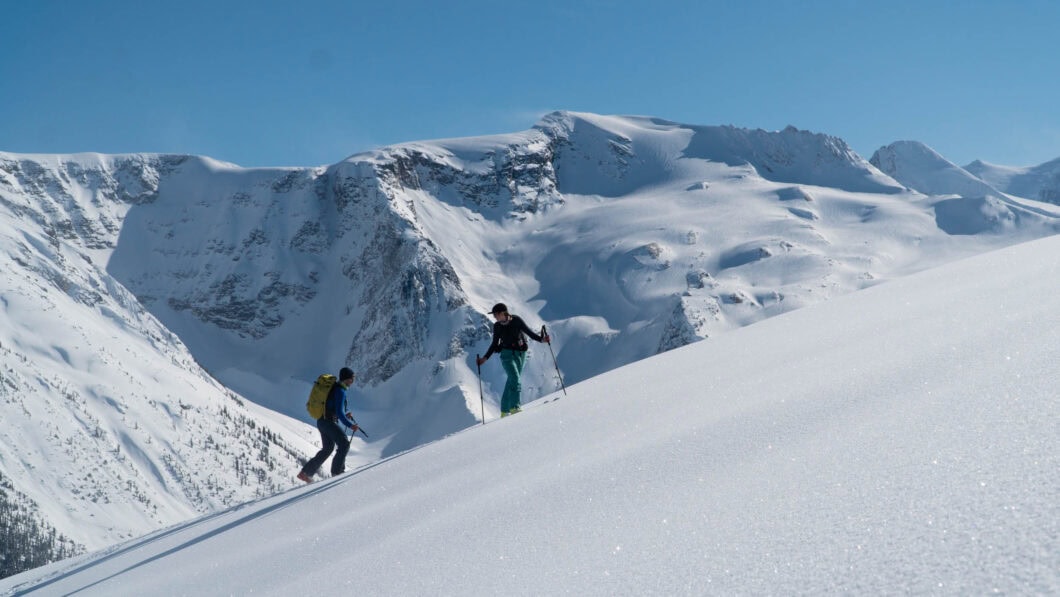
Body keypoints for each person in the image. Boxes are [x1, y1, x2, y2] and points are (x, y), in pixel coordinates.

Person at [476, 303, 550, 417]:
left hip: (521, 354)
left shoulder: (516, 320)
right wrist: (484, 358)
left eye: (496, 315)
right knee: (515, 378)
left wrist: (542, 340)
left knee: (512, 380)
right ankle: (515, 408)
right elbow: (494, 344)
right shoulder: (497, 326)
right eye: (494, 315)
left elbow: (529, 333)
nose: (495, 317)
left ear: (503, 313)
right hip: (506, 355)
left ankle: (504, 410)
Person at [297, 367, 360, 482]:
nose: (353, 380)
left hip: (322, 421)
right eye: (352, 378)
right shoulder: (340, 391)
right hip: (328, 422)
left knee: (328, 448)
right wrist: (350, 425)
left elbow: (333, 409)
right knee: (344, 444)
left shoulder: (335, 388)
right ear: (347, 378)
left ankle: (305, 473)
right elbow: (340, 413)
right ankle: (337, 473)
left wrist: (346, 417)